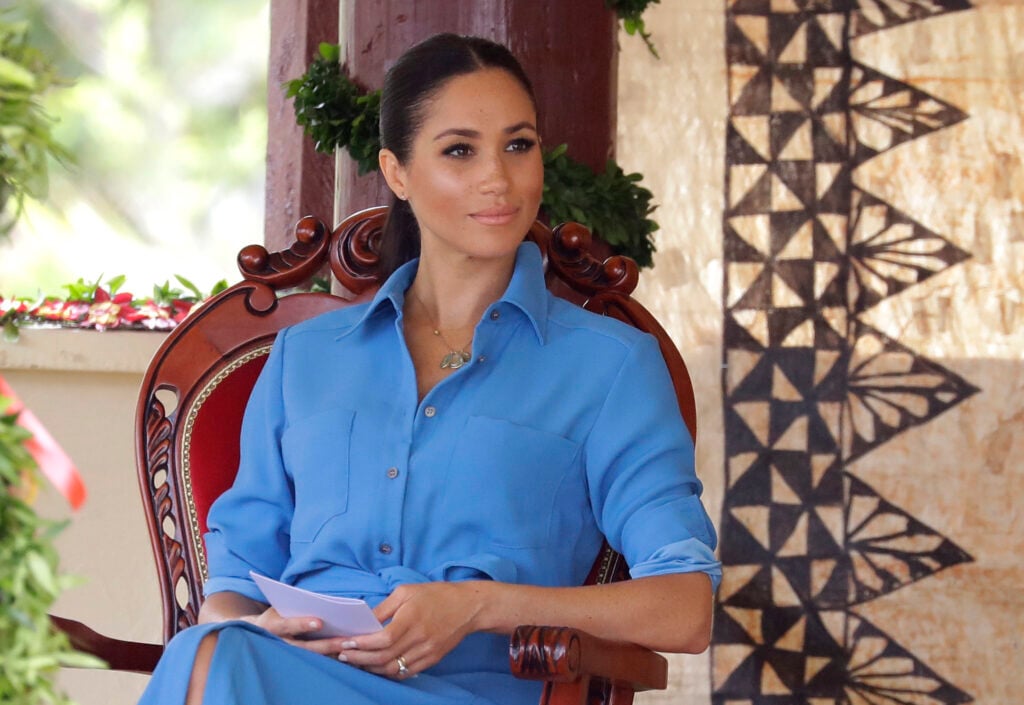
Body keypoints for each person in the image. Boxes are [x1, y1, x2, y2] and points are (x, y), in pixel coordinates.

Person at [137, 33, 721, 705]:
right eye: (459, 151)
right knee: (216, 650)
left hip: (473, 691)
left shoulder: (610, 366)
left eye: (518, 144)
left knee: (215, 663)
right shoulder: (304, 359)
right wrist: (263, 627)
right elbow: (231, 584)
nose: (497, 178)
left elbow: (685, 607)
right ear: (397, 172)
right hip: (286, 677)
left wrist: (478, 605)